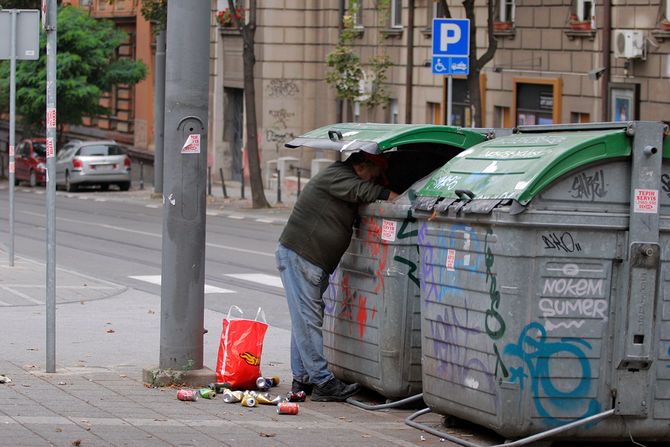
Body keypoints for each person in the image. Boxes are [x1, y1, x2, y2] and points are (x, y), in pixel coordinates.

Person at [275, 151, 398, 402]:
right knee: (308, 321)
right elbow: (363, 191)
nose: (376, 180)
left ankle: (304, 379)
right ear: (362, 166)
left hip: (309, 259)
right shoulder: (337, 176)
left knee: (305, 320)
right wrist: (395, 197)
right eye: (375, 174)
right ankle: (323, 383)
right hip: (302, 256)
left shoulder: (341, 175)